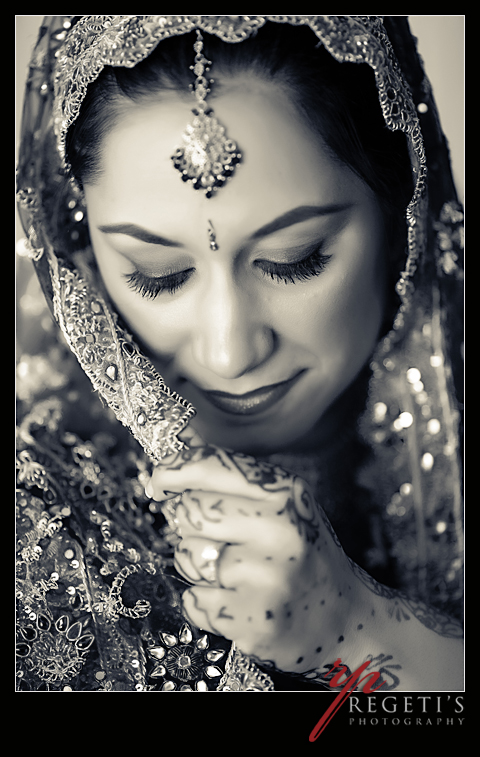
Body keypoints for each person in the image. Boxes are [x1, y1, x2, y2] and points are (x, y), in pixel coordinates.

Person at [16, 15, 464, 692]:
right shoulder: (39, 530)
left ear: (403, 208)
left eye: (295, 260)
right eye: (157, 275)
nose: (229, 354)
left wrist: (358, 627)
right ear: (76, 255)